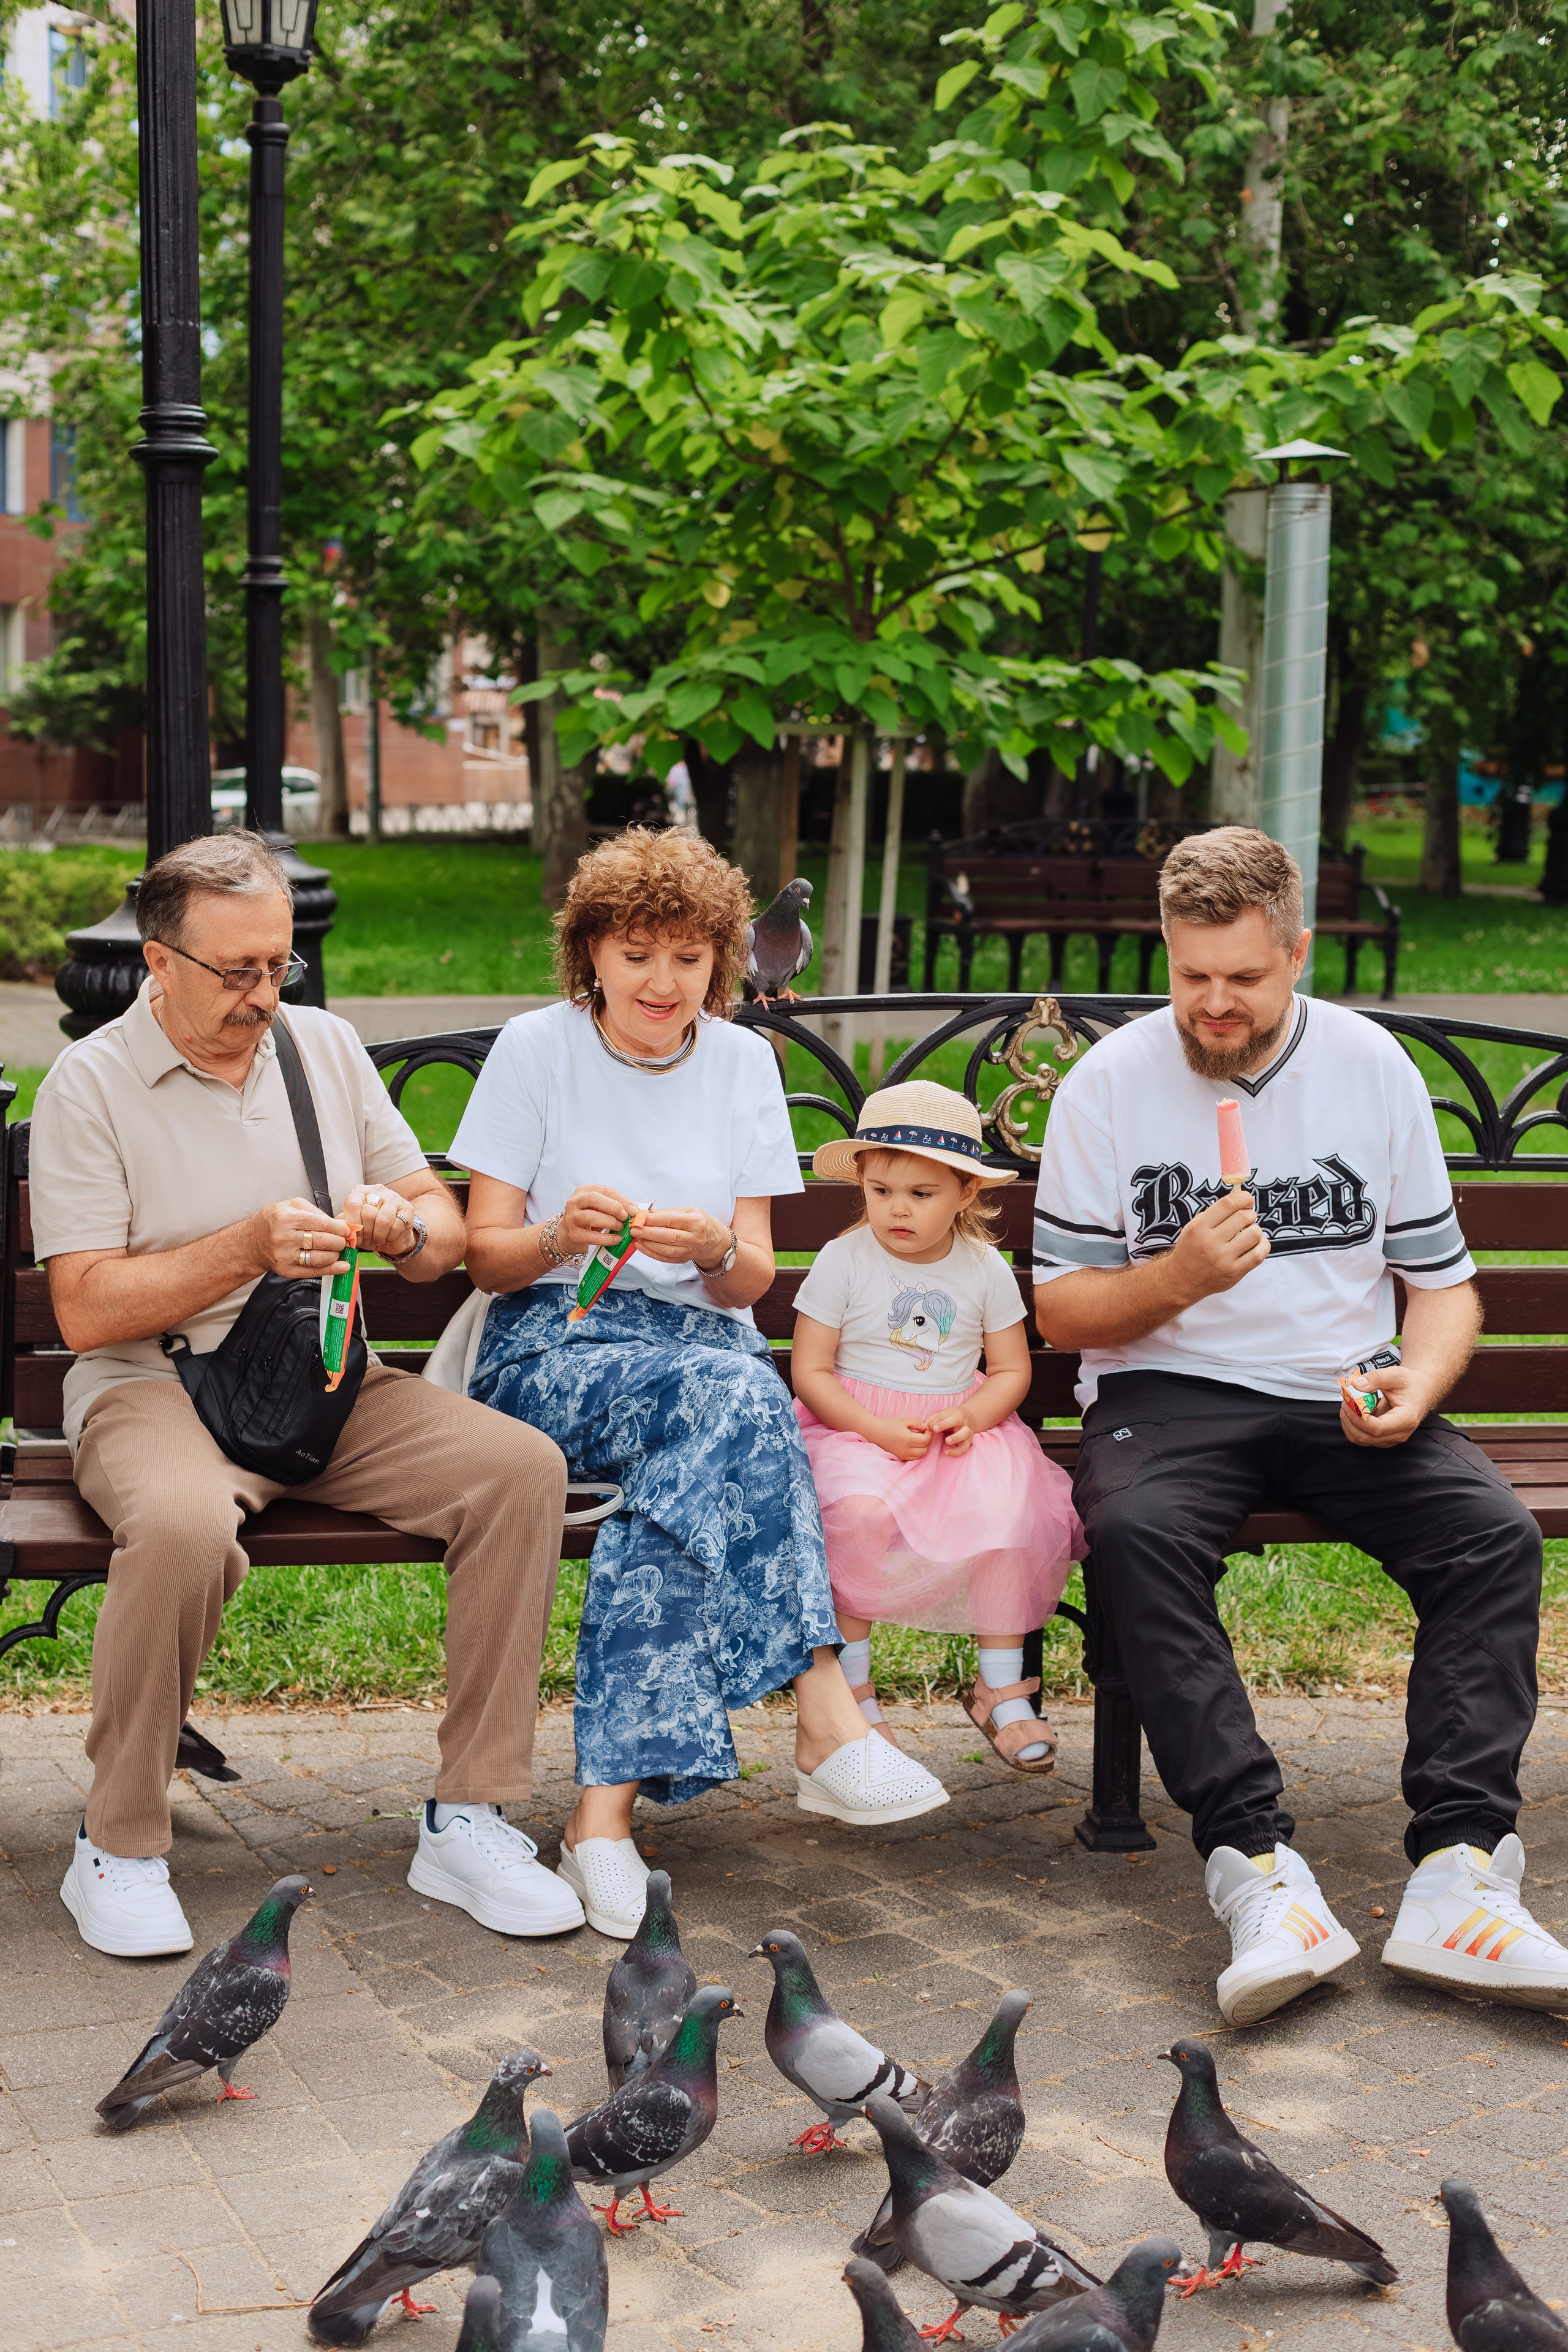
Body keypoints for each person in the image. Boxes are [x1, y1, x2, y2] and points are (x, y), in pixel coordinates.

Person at [1033, 826, 1564, 2026]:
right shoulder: (1107, 1083)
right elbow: (1061, 1307)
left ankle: (1460, 1873)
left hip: (1341, 1387)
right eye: (1191, 976)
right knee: (1138, 1540)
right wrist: (1175, 1280)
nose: (1213, 1003)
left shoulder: (1371, 1069)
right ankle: (1258, 1870)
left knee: (1490, 1537)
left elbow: (1443, 1290)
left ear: (1297, 952)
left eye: (1242, 976)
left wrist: (1416, 1382)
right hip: (1166, 1391)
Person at [31, 834, 585, 1959]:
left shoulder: (320, 1046)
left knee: (520, 1473)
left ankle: (467, 1817)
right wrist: (243, 1248)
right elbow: (85, 1312)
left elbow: (442, 1233)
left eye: (278, 965)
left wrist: (401, 1226)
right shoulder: (90, 1082)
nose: (262, 993)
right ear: (159, 961)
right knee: (182, 1525)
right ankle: (118, 1844)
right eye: (236, 970)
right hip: (150, 1383)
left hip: (324, 1375)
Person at [450, 827, 948, 1940]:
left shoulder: (740, 1063)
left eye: (687, 956)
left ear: (723, 958)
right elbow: (483, 1256)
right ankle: (823, 1711)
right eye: (636, 955)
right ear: (590, 953)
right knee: (740, 1398)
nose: (662, 982)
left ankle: (602, 1818)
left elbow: (752, 1279)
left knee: (704, 1437)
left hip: (702, 1354)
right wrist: (554, 1234)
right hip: (556, 1348)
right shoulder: (535, 1049)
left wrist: (719, 1247)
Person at [792, 1080, 1082, 1768]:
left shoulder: (983, 1269)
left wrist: (972, 1415)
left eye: (921, 1194)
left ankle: (1001, 1689)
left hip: (957, 1435)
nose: (898, 1209)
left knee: (1011, 1513)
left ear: (966, 1193)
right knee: (856, 1514)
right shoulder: (843, 1260)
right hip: (853, 1432)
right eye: (881, 1190)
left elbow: (1009, 1370)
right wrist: (872, 1429)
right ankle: (853, 1693)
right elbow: (811, 1371)